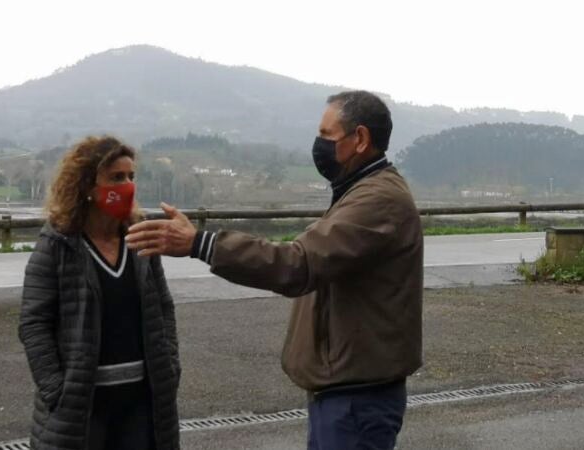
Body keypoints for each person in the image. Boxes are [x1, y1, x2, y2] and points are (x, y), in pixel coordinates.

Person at [126, 91, 423, 450]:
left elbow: (296, 263)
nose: (319, 145)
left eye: (326, 135)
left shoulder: (377, 200)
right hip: (346, 392)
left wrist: (201, 244)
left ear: (359, 138)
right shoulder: (358, 191)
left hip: (356, 400)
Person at [19, 136, 181, 450]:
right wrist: (55, 388)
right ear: (88, 186)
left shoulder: (140, 239)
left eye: (131, 176)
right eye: (116, 177)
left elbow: (163, 307)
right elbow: (33, 322)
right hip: (83, 405)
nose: (127, 186)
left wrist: (170, 367)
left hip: (141, 402)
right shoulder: (57, 244)